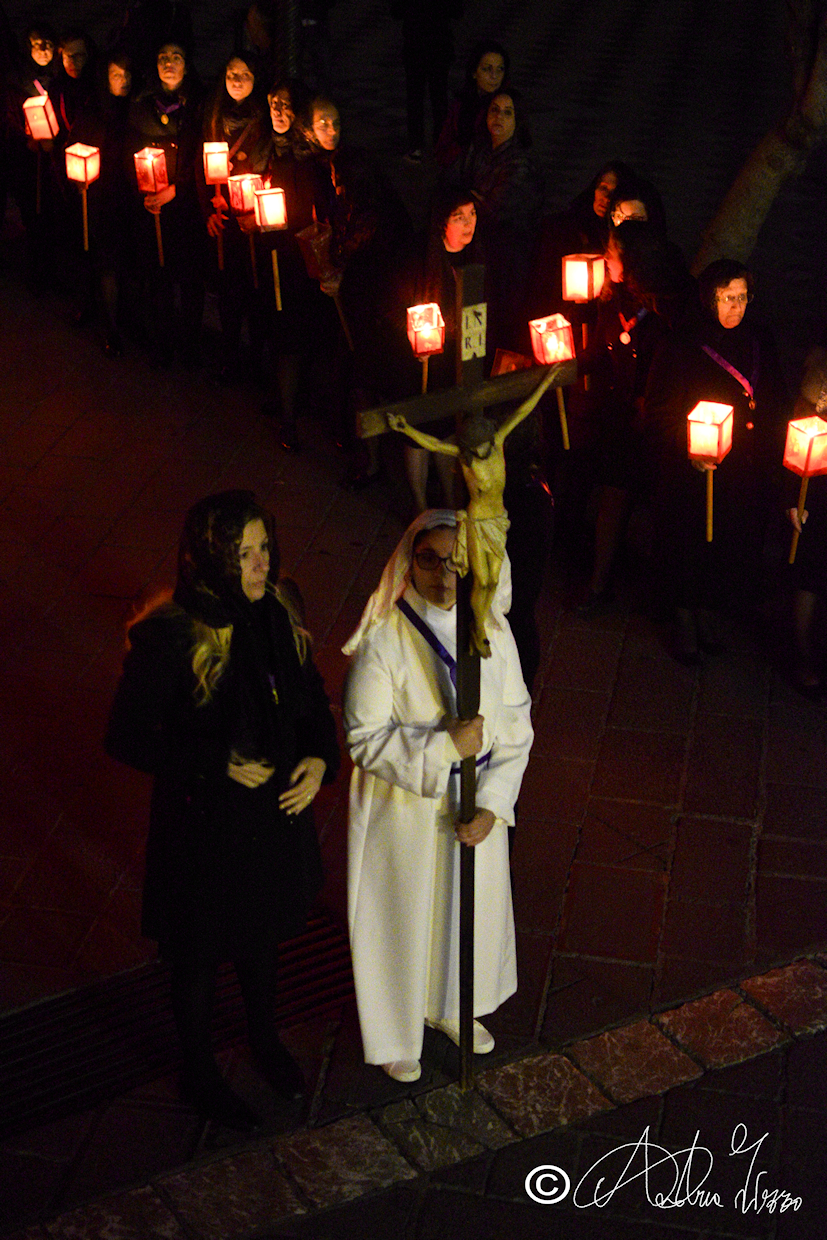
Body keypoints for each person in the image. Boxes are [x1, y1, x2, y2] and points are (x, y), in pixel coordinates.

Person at [105, 490, 339, 1128]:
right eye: (244, 554)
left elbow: (311, 697)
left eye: (264, 547)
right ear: (212, 560)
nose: (262, 565)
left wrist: (320, 759)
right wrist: (214, 762)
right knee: (200, 952)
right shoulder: (169, 635)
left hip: (268, 817)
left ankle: (263, 1038)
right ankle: (200, 1069)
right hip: (203, 827)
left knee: (262, 936)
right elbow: (126, 738)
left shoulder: (277, 610)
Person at [343, 510, 533, 1082]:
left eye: (457, 562)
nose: (444, 576)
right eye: (429, 560)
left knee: (461, 910)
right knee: (401, 918)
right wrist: (442, 747)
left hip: (471, 807)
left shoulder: (491, 632)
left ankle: (455, 1004)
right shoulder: (386, 637)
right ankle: (395, 1029)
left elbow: (517, 724)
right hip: (403, 810)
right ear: (410, 560)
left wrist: (494, 803)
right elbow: (363, 737)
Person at [645, 259, 786, 661]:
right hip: (694, 474)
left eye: (742, 298)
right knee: (691, 544)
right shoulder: (680, 345)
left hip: (745, 471)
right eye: (726, 298)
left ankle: (709, 612)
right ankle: (684, 618)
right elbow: (658, 412)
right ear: (709, 299)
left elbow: (774, 398)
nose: (735, 308)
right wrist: (690, 450)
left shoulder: (760, 340)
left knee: (727, 546)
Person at [388, 364, 561, 653]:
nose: (482, 454)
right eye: (476, 450)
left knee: (493, 580)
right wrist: (405, 428)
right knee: (481, 582)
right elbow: (433, 443)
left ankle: (481, 624)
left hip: (498, 521)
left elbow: (522, 411)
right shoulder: (465, 456)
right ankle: (477, 626)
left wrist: (548, 381)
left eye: (484, 448)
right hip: (479, 524)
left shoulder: (498, 441)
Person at [129, 39, 206, 365]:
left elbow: (203, 155)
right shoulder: (143, 102)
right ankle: (160, 343)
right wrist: (146, 190)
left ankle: (189, 346)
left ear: (187, 64)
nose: (169, 63)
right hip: (153, 205)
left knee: (189, 278)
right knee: (157, 276)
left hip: (186, 205)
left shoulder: (199, 105)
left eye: (176, 57)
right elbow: (131, 149)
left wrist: (176, 188)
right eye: (163, 58)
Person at [202, 52, 270, 381]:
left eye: (245, 73)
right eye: (231, 73)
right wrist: (208, 210)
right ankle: (229, 354)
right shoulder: (214, 116)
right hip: (224, 217)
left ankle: (257, 360)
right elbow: (199, 165)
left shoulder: (263, 121)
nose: (237, 80)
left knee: (256, 292)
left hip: (254, 222)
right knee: (228, 292)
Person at [434, 39, 509, 168]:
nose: (494, 76)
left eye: (500, 69)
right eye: (487, 69)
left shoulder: (509, 106)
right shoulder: (461, 105)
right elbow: (442, 149)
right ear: (474, 72)